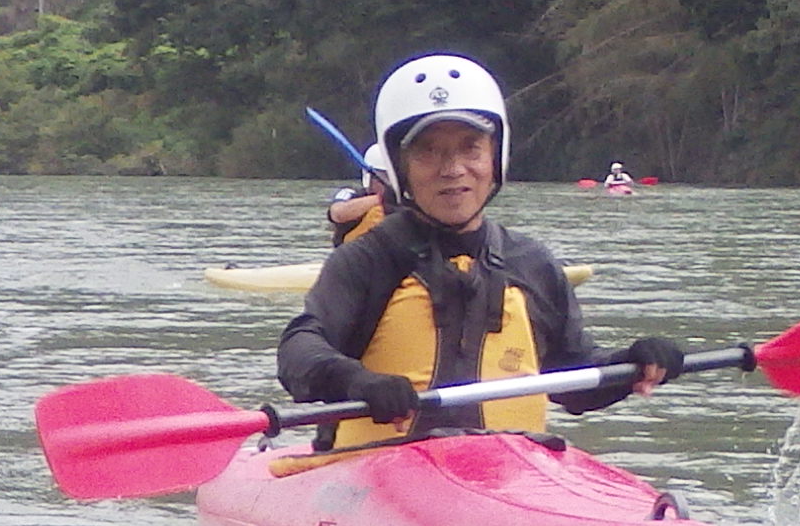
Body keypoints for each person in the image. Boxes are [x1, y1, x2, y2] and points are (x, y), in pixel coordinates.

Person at [277, 55, 682, 443]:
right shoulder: (366, 261)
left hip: (509, 471)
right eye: (429, 151)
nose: (453, 169)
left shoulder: (531, 264)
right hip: (377, 471)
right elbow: (299, 349)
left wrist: (631, 365)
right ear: (401, 168)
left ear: (495, 157)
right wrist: (357, 381)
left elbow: (572, 376)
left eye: (470, 148)